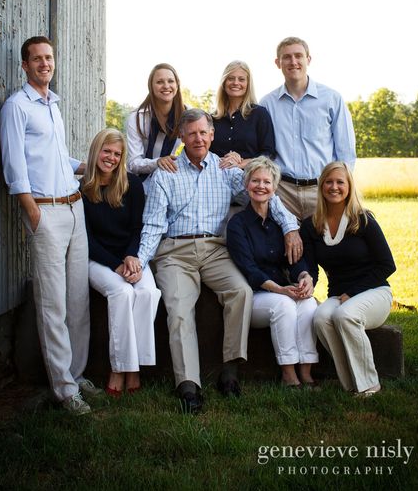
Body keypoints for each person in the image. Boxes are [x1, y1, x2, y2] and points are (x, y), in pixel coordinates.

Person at [137, 108, 302, 413]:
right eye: (192, 134)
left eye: (204, 132)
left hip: (215, 250)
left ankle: (230, 369)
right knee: (179, 308)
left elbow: (263, 194)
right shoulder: (167, 172)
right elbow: (153, 224)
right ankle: (188, 385)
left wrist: (291, 227)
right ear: (182, 138)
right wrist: (140, 260)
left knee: (241, 292)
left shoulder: (226, 170)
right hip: (175, 252)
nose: (198, 138)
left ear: (212, 135)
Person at [0, 36, 100, 415]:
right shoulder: (17, 107)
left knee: (77, 299)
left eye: (49, 58)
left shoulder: (53, 105)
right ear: (25, 66)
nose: (45, 64)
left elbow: (57, 157)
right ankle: (62, 389)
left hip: (74, 209)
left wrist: (90, 167)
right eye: (37, 59)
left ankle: (76, 374)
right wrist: (31, 210)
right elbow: (14, 165)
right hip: (45, 212)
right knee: (52, 302)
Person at [300, 161, 396, 396]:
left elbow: (387, 265)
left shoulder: (363, 220)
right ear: (321, 186)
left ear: (349, 187)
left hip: (374, 292)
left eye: (340, 182)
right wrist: (306, 278)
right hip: (340, 295)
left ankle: (370, 385)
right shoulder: (311, 226)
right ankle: (351, 382)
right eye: (329, 182)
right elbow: (312, 269)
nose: (334, 187)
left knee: (345, 315)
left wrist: (353, 292)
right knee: (321, 317)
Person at [81, 128, 161, 397]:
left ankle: (134, 365)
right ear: (96, 151)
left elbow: (138, 227)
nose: (111, 158)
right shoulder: (81, 189)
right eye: (107, 151)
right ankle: (120, 367)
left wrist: (131, 258)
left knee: (149, 292)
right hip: (97, 259)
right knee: (122, 292)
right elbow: (87, 240)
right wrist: (116, 265)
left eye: (117, 154)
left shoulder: (132, 184)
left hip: (130, 255)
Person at [227, 157, 318, 388]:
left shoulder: (280, 223)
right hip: (257, 295)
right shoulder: (237, 224)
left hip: (282, 289)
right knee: (284, 305)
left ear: (274, 188)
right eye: (255, 180)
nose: (261, 186)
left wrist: (303, 277)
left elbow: (293, 260)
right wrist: (279, 290)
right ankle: (288, 374)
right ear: (246, 185)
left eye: (266, 182)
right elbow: (249, 269)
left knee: (308, 304)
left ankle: (306, 373)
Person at [260, 37, 356, 221]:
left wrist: (341, 189)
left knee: (324, 247)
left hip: (322, 189)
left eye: (298, 56)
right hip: (282, 192)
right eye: (286, 57)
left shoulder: (331, 99)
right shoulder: (267, 104)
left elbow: (346, 152)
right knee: (287, 248)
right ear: (277, 63)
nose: (293, 62)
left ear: (308, 60)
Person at [126, 63, 184, 190]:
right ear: (151, 86)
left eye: (170, 81)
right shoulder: (137, 118)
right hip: (137, 185)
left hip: (170, 181)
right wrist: (158, 162)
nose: (166, 86)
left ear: (177, 84)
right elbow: (133, 163)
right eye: (159, 82)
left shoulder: (187, 116)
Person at [211, 60, 275, 170]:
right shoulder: (212, 118)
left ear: (248, 84)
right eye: (231, 78)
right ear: (224, 82)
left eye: (241, 79)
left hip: (249, 181)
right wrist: (222, 161)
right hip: (217, 180)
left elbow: (269, 153)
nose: (236, 83)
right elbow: (203, 151)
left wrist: (242, 162)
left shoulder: (259, 114)